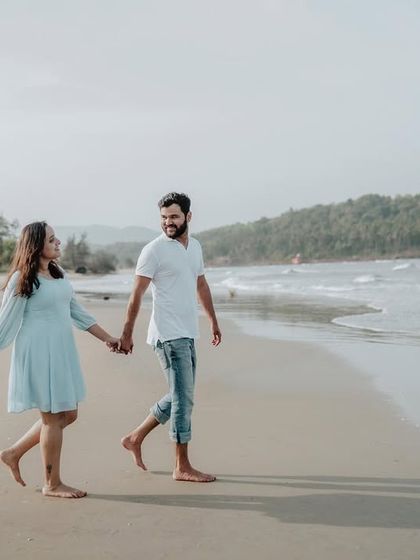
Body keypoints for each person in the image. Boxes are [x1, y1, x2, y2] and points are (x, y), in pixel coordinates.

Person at [0, 221, 120, 498]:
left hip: (62, 351)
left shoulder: (58, 273)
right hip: (39, 352)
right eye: (52, 239)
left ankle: (13, 452)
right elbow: (4, 324)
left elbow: (77, 312)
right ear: (36, 246)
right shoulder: (23, 279)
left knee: (68, 414)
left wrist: (107, 338)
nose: (58, 243)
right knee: (53, 418)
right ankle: (52, 484)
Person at [119, 192, 221, 482]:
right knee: (183, 398)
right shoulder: (154, 250)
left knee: (182, 395)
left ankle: (136, 437)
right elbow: (137, 293)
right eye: (164, 218)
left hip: (188, 332)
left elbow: (200, 283)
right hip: (167, 335)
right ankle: (182, 466)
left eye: (174, 217)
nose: (168, 223)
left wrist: (213, 320)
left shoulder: (195, 247)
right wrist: (127, 333)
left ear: (188, 217)